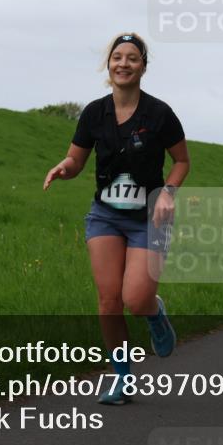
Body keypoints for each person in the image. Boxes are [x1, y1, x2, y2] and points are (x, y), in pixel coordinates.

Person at [44, 33, 190, 405]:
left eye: (132, 58)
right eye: (117, 57)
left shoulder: (159, 114)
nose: (123, 64)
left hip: (148, 218)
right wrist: (65, 167)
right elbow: (76, 160)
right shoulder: (94, 112)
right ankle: (122, 378)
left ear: (143, 66)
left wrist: (168, 193)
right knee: (109, 301)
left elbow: (181, 161)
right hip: (105, 216)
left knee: (136, 300)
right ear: (108, 64)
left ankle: (154, 313)